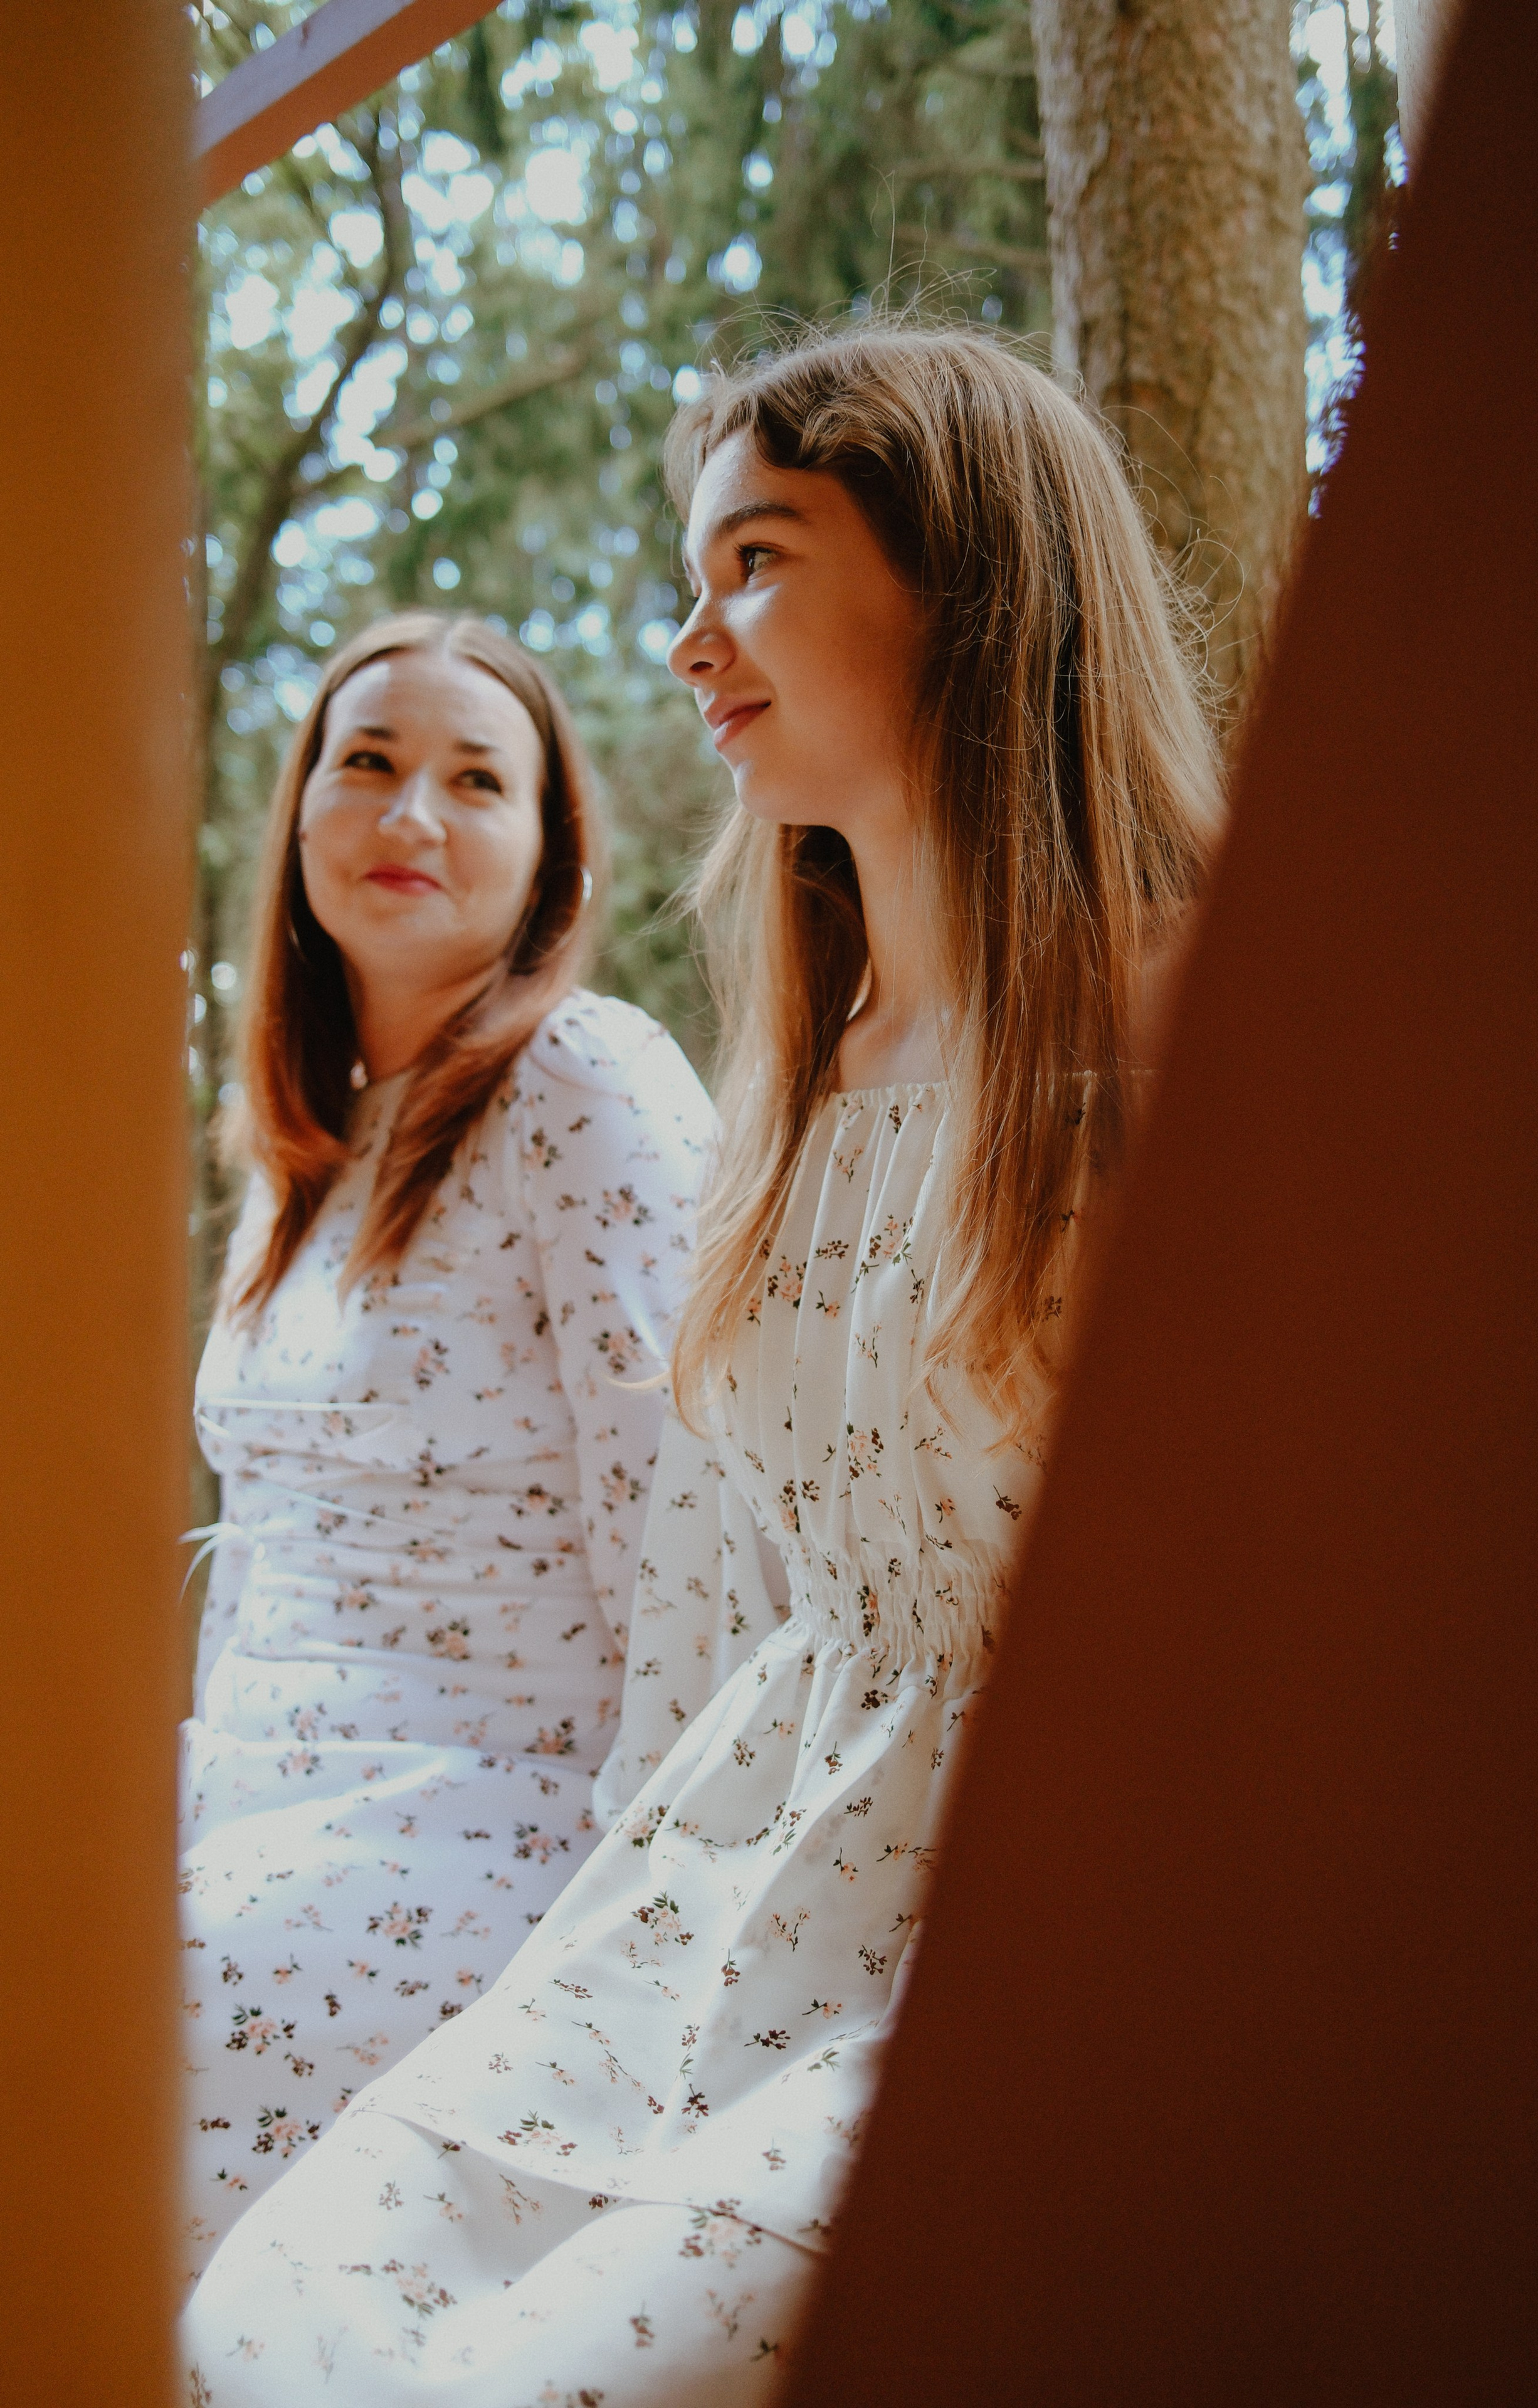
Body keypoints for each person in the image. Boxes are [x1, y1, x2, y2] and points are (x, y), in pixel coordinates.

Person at [182, 325, 1219, 2399]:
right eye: (691, 574)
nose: (690, 638)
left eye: (753, 560)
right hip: (715, 1890)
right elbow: (710, 1596)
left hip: (1030, 1915)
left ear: (968, 575)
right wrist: (599, 1941)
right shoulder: (808, 1076)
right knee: (263, 2315)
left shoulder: (1188, 1002)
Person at [178, 611, 714, 2284]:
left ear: (550, 858)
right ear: (303, 822)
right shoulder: (302, 1149)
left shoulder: (587, 1083)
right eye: (372, 765)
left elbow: (688, 1540)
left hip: (498, 1839)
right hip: (251, 1801)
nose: (414, 817)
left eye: (479, 780)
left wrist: (656, 1946)